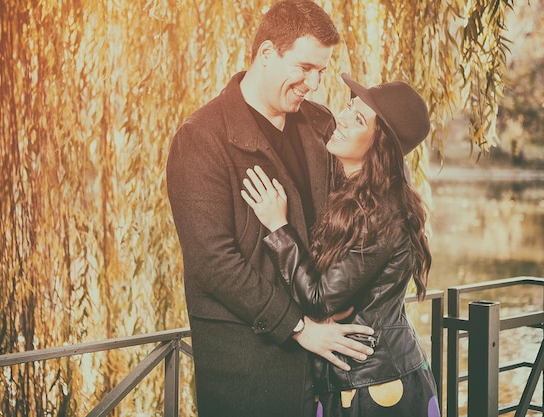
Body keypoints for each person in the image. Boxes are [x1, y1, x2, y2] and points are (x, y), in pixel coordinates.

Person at [166, 2, 375, 417]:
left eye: (322, 71)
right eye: (304, 68)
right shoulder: (202, 138)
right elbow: (213, 263)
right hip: (249, 373)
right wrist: (299, 328)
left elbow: (345, 223)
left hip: (326, 371)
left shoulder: (320, 124)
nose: (313, 84)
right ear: (266, 54)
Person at [241, 73, 441, 417]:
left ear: (379, 145)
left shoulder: (382, 214)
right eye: (350, 106)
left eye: (359, 118)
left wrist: (278, 227)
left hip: (376, 389)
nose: (343, 117)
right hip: (357, 381)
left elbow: (320, 301)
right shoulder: (356, 196)